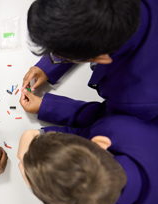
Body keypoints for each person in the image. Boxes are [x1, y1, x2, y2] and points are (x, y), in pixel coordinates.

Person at [17, 90, 158, 204]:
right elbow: (85, 137)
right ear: (100, 143)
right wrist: (36, 137)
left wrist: (34, 136)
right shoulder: (118, 128)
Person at [22, 0, 158, 123]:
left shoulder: (136, 99)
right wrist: (47, 66)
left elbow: (105, 120)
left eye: (60, 57)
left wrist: (46, 107)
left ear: (102, 58)